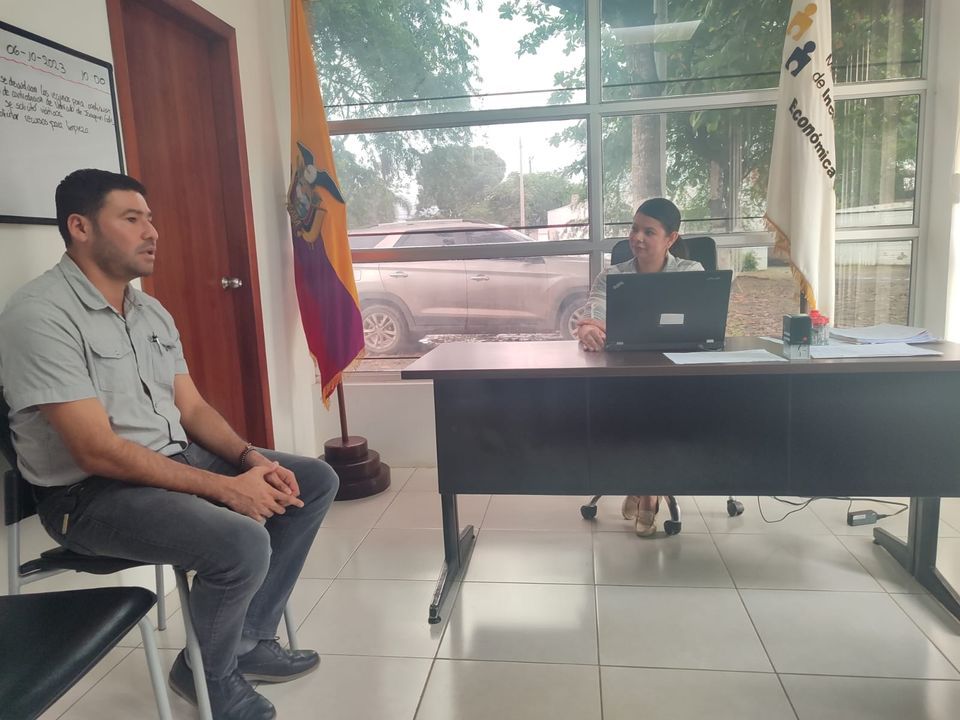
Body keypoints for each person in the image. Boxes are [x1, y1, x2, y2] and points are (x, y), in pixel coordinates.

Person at [0, 169, 340, 720]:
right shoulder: (39, 317)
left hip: (173, 458)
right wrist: (226, 489)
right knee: (241, 542)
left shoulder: (149, 311)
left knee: (313, 480)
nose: (152, 232)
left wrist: (250, 460)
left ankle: (245, 640)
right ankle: (208, 674)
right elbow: (96, 451)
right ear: (80, 227)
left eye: (150, 219)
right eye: (131, 219)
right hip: (89, 496)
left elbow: (194, 409)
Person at [577, 197, 702, 537]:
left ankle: (644, 486)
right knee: (636, 402)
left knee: (657, 402)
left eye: (649, 231)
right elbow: (594, 315)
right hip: (625, 369)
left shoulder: (690, 273)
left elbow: (699, 321)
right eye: (634, 229)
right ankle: (647, 486)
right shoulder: (612, 276)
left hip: (677, 371)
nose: (637, 238)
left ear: (671, 238)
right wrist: (589, 329)